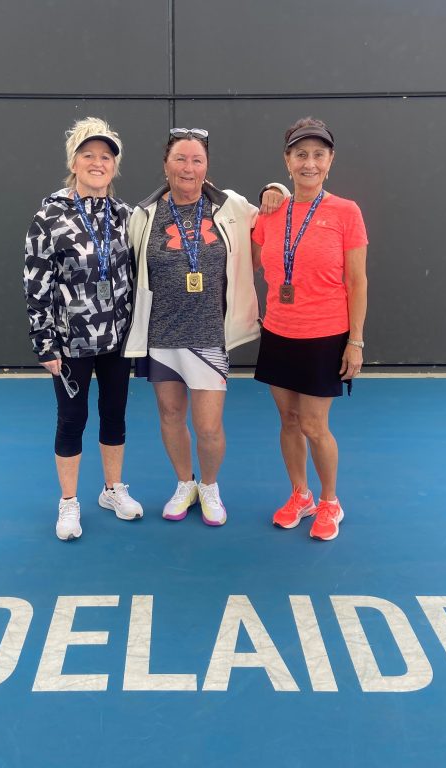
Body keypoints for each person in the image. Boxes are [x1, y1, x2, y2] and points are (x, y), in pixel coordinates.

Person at [123, 128, 287, 526]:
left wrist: (276, 188)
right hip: (161, 335)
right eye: (180, 159)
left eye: (196, 160)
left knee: (209, 427)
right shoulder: (143, 215)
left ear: (207, 167)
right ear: (166, 165)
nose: (188, 167)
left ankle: (209, 486)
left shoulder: (231, 206)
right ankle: (185, 483)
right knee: (169, 415)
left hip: (210, 337)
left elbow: (275, 215)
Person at [23, 117, 143, 541]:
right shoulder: (49, 217)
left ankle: (112, 490)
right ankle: (69, 501)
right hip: (70, 343)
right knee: (72, 419)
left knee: (115, 414)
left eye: (106, 157)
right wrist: (44, 341)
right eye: (88, 155)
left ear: (115, 166)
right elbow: (36, 283)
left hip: (118, 341)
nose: (97, 163)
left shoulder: (127, 216)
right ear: (73, 162)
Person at [251, 117, 369, 541]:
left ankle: (330, 501)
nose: (309, 163)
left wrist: (355, 341)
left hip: (325, 336)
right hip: (278, 332)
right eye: (301, 154)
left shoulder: (346, 212)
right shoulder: (270, 212)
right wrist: (269, 193)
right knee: (288, 419)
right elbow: (247, 258)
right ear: (287, 161)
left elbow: (357, 281)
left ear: (330, 161)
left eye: (319, 155)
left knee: (314, 426)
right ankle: (300, 495)